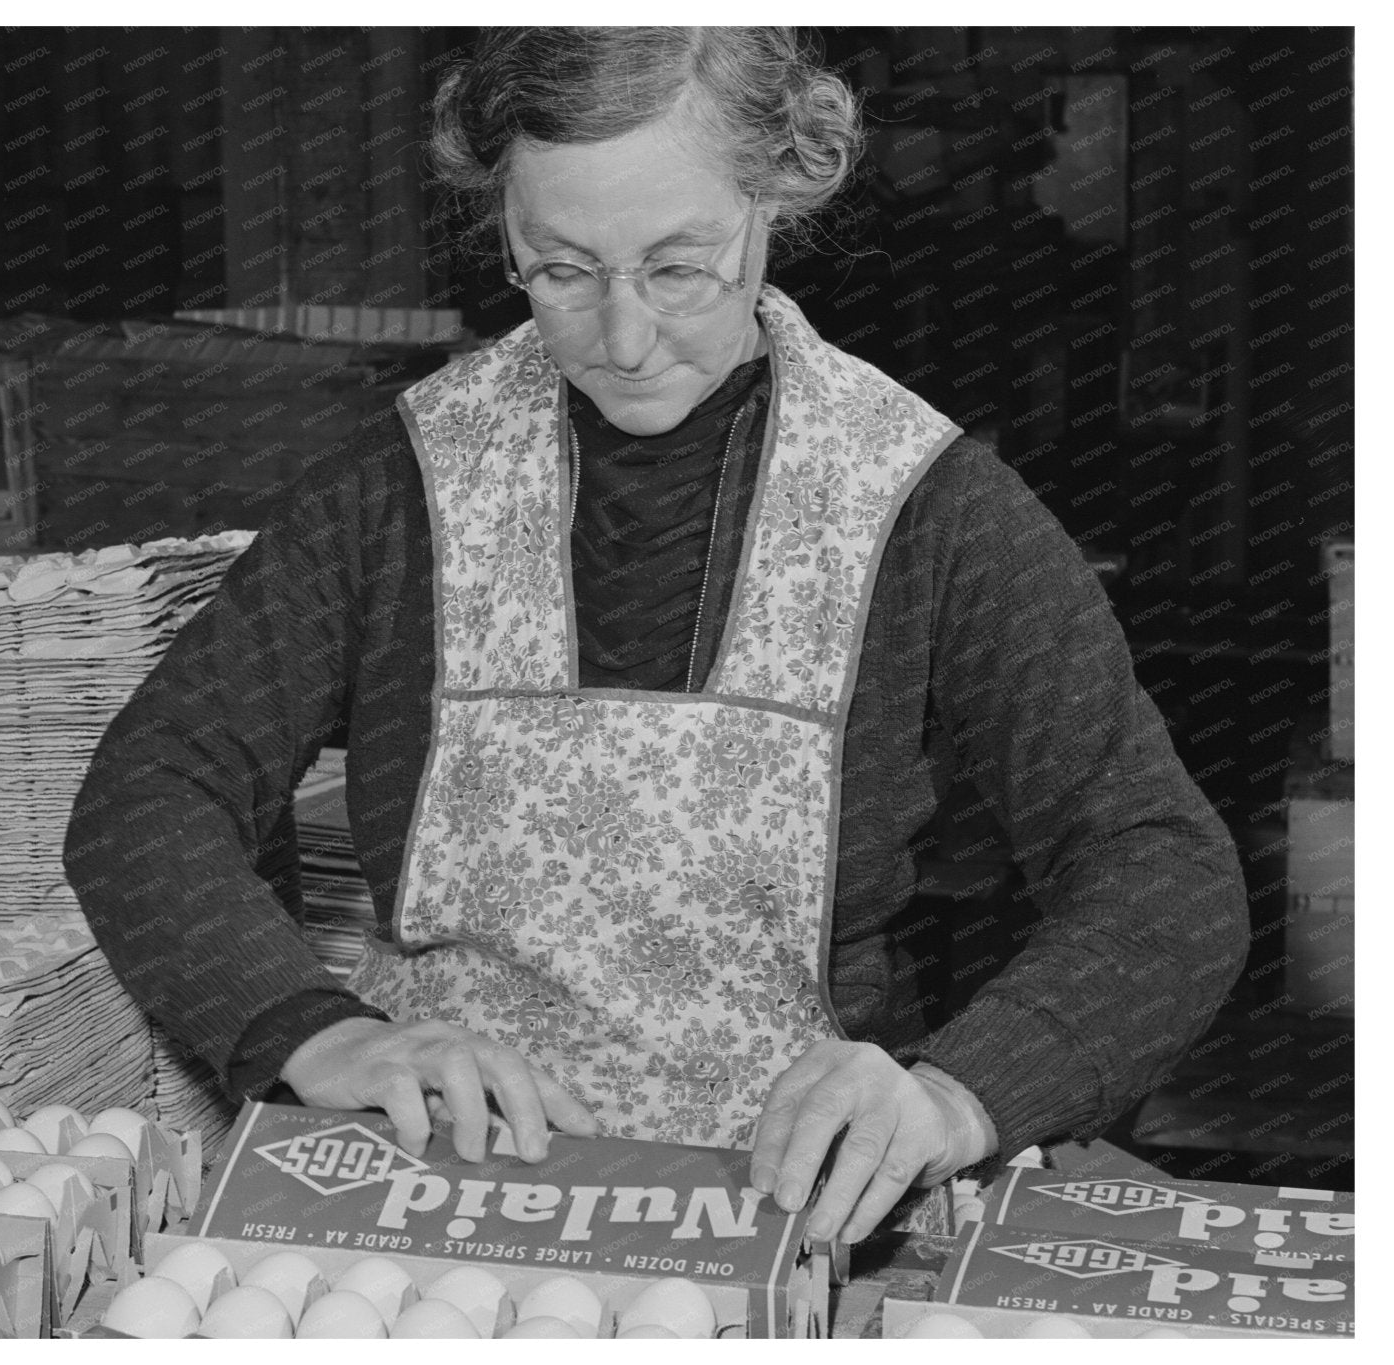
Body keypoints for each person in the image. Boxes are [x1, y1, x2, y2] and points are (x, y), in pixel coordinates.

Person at [65, 27, 1248, 1248]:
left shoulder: (920, 503)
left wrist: (954, 1096)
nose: (620, 339)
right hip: (429, 1203)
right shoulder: (408, 480)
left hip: (779, 1214)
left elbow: (1162, 874)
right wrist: (318, 1033)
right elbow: (150, 790)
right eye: (560, 271)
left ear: (778, 193)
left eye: (679, 268)